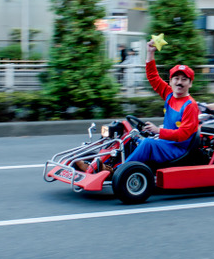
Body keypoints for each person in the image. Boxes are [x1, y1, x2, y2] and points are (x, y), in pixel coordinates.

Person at [75, 38, 201, 173]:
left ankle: (116, 171)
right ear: (170, 81)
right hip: (166, 142)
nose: (179, 83)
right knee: (132, 140)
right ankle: (99, 163)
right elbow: (153, 77)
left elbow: (183, 135)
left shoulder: (190, 105)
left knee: (147, 143)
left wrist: (158, 131)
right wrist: (150, 52)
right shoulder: (170, 94)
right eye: (176, 79)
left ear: (190, 83)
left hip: (178, 148)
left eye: (184, 79)